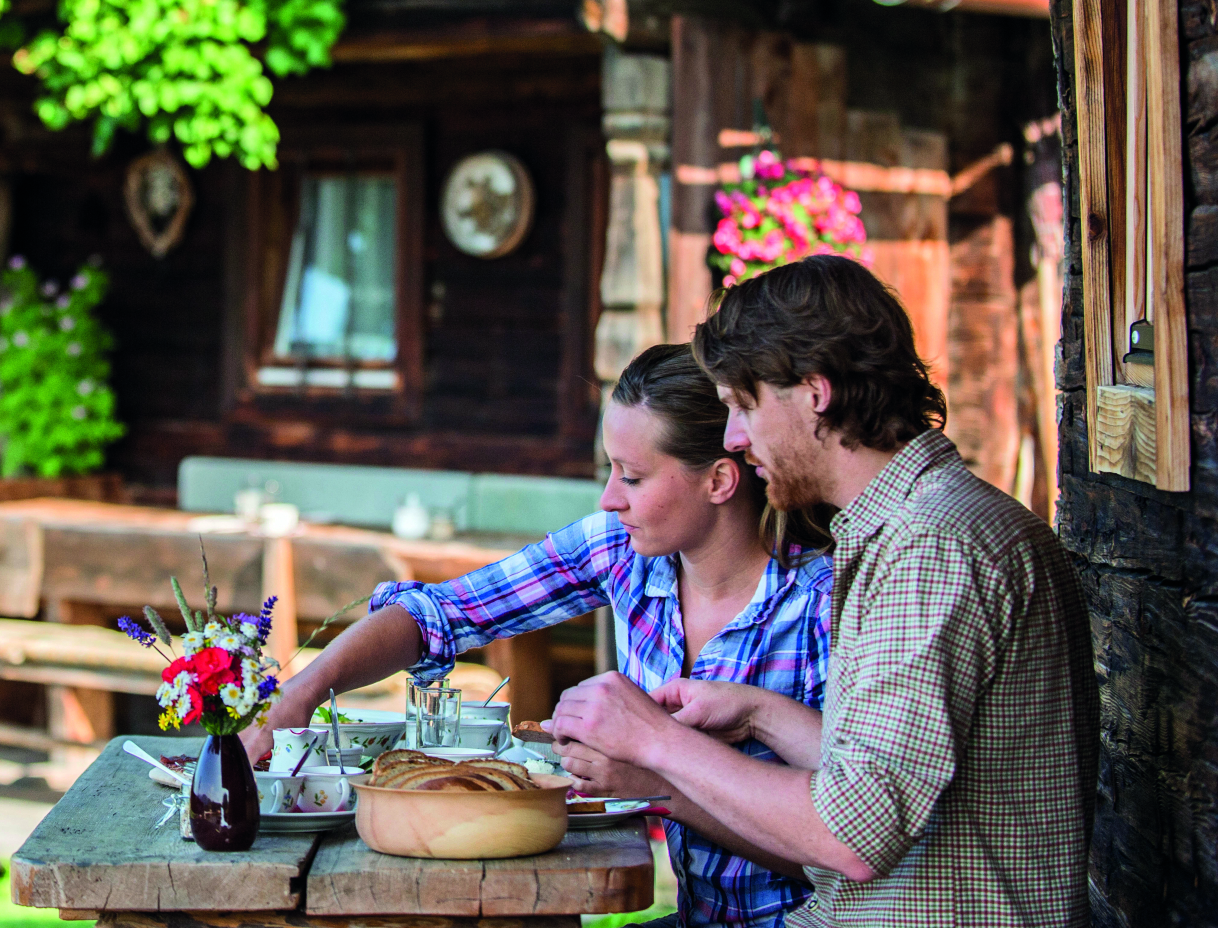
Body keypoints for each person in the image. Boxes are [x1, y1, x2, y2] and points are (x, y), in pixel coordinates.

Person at [548, 255, 1095, 927]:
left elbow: (852, 835)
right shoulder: (905, 526)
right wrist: (758, 713)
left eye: (744, 404)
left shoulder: (932, 545)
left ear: (814, 392)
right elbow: (887, 773)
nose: (733, 438)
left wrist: (654, 741)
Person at [244, 343, 833, 927]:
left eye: (631, 476)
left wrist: (655, 786)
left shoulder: (821, 602)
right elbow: (438, 614)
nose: (609, 498)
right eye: (609, 471)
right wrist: (301, 694)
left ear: (721, 480)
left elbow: (836, 853)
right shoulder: (622, 549)